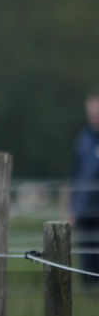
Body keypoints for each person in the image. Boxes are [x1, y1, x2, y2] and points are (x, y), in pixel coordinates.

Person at [68, 93, 99, 280]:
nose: (94, 117)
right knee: (87, 261)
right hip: (84, 211)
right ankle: (90, 299)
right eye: (92, 114)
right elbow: (75, 175)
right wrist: (72, 209)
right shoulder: (83, 140)